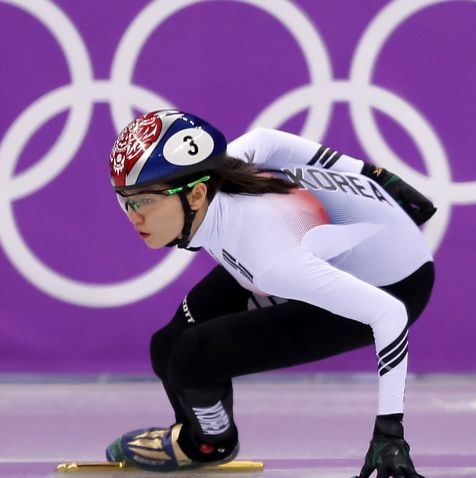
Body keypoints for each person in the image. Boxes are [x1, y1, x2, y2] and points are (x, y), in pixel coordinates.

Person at [104, 109, 436, 478]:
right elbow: (265, 139)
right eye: (125, 200)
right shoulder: (221, 173)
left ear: (196, 194)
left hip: (396, 284)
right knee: (166, 347)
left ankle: (209, 445)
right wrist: (370, 173)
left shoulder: (271, 262)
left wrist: (389, 433)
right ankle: (197, 434)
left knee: (192, 356)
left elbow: (389, 314)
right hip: (341, 242)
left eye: (144, 201)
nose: (133, 216)